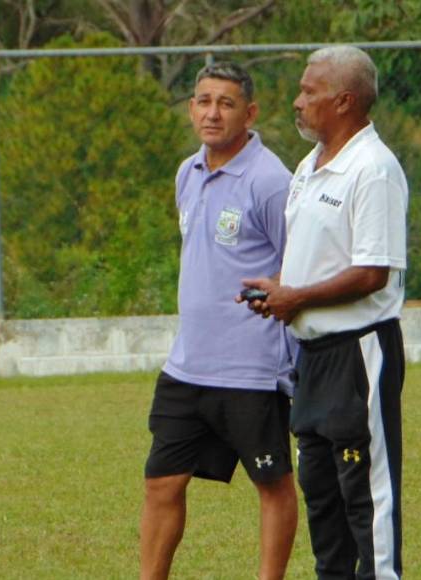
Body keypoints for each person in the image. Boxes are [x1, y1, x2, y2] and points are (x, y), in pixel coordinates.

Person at [242, 46, 408, 579]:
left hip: (359, 353)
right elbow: (319, 258)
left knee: (367, 498)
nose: (297, 101)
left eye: (309, 91)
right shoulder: (308, 167)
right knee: (321, 495)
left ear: (343, 100)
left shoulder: (374, 168)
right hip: (310, 358)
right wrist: (281, 290)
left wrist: (299, 297)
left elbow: (373, 272)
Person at [140, 62, 298, 580]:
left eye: (225, 103)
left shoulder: (272, 180)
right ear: (191, 109)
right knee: (162, 482)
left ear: (249, 113)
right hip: (187, 367)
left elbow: (300, 265)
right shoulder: (187, 172)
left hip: (251, 368)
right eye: (204, 101)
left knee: (272, 485)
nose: (212, 112)